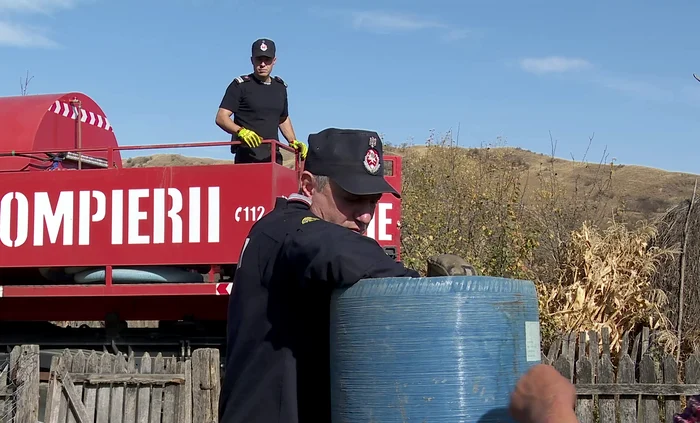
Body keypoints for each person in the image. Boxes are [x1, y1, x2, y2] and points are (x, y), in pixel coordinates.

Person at [218, 128, 421, 423]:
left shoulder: (279, 230)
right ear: (308, 185)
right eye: (352, 198)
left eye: (373, 200)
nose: (365, 215)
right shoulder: (286, 230)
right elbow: (332, 248)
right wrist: (431, 291)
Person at [215, 38, 307, 164]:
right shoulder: (240, 85)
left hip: (273, 156)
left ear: (274, 61)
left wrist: (292, 141)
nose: (263, 64)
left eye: (267, 60)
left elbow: (283, 118)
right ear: (252, 60)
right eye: (259, 59)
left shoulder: (280, 87)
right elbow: (221, 117)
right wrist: (240, 131)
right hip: (247, 156)